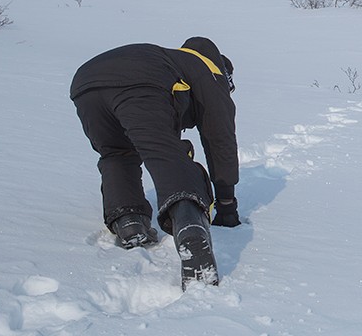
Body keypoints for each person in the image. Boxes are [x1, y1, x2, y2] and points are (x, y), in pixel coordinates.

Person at [70, 36, 241, 290]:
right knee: (167, 154)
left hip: (86, 83)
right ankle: (191, 227)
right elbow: (220, 141)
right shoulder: (210, 71)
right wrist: (226, 204)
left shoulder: (176, 60)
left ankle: (129, 222)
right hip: (139, 80)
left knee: (117, 152)